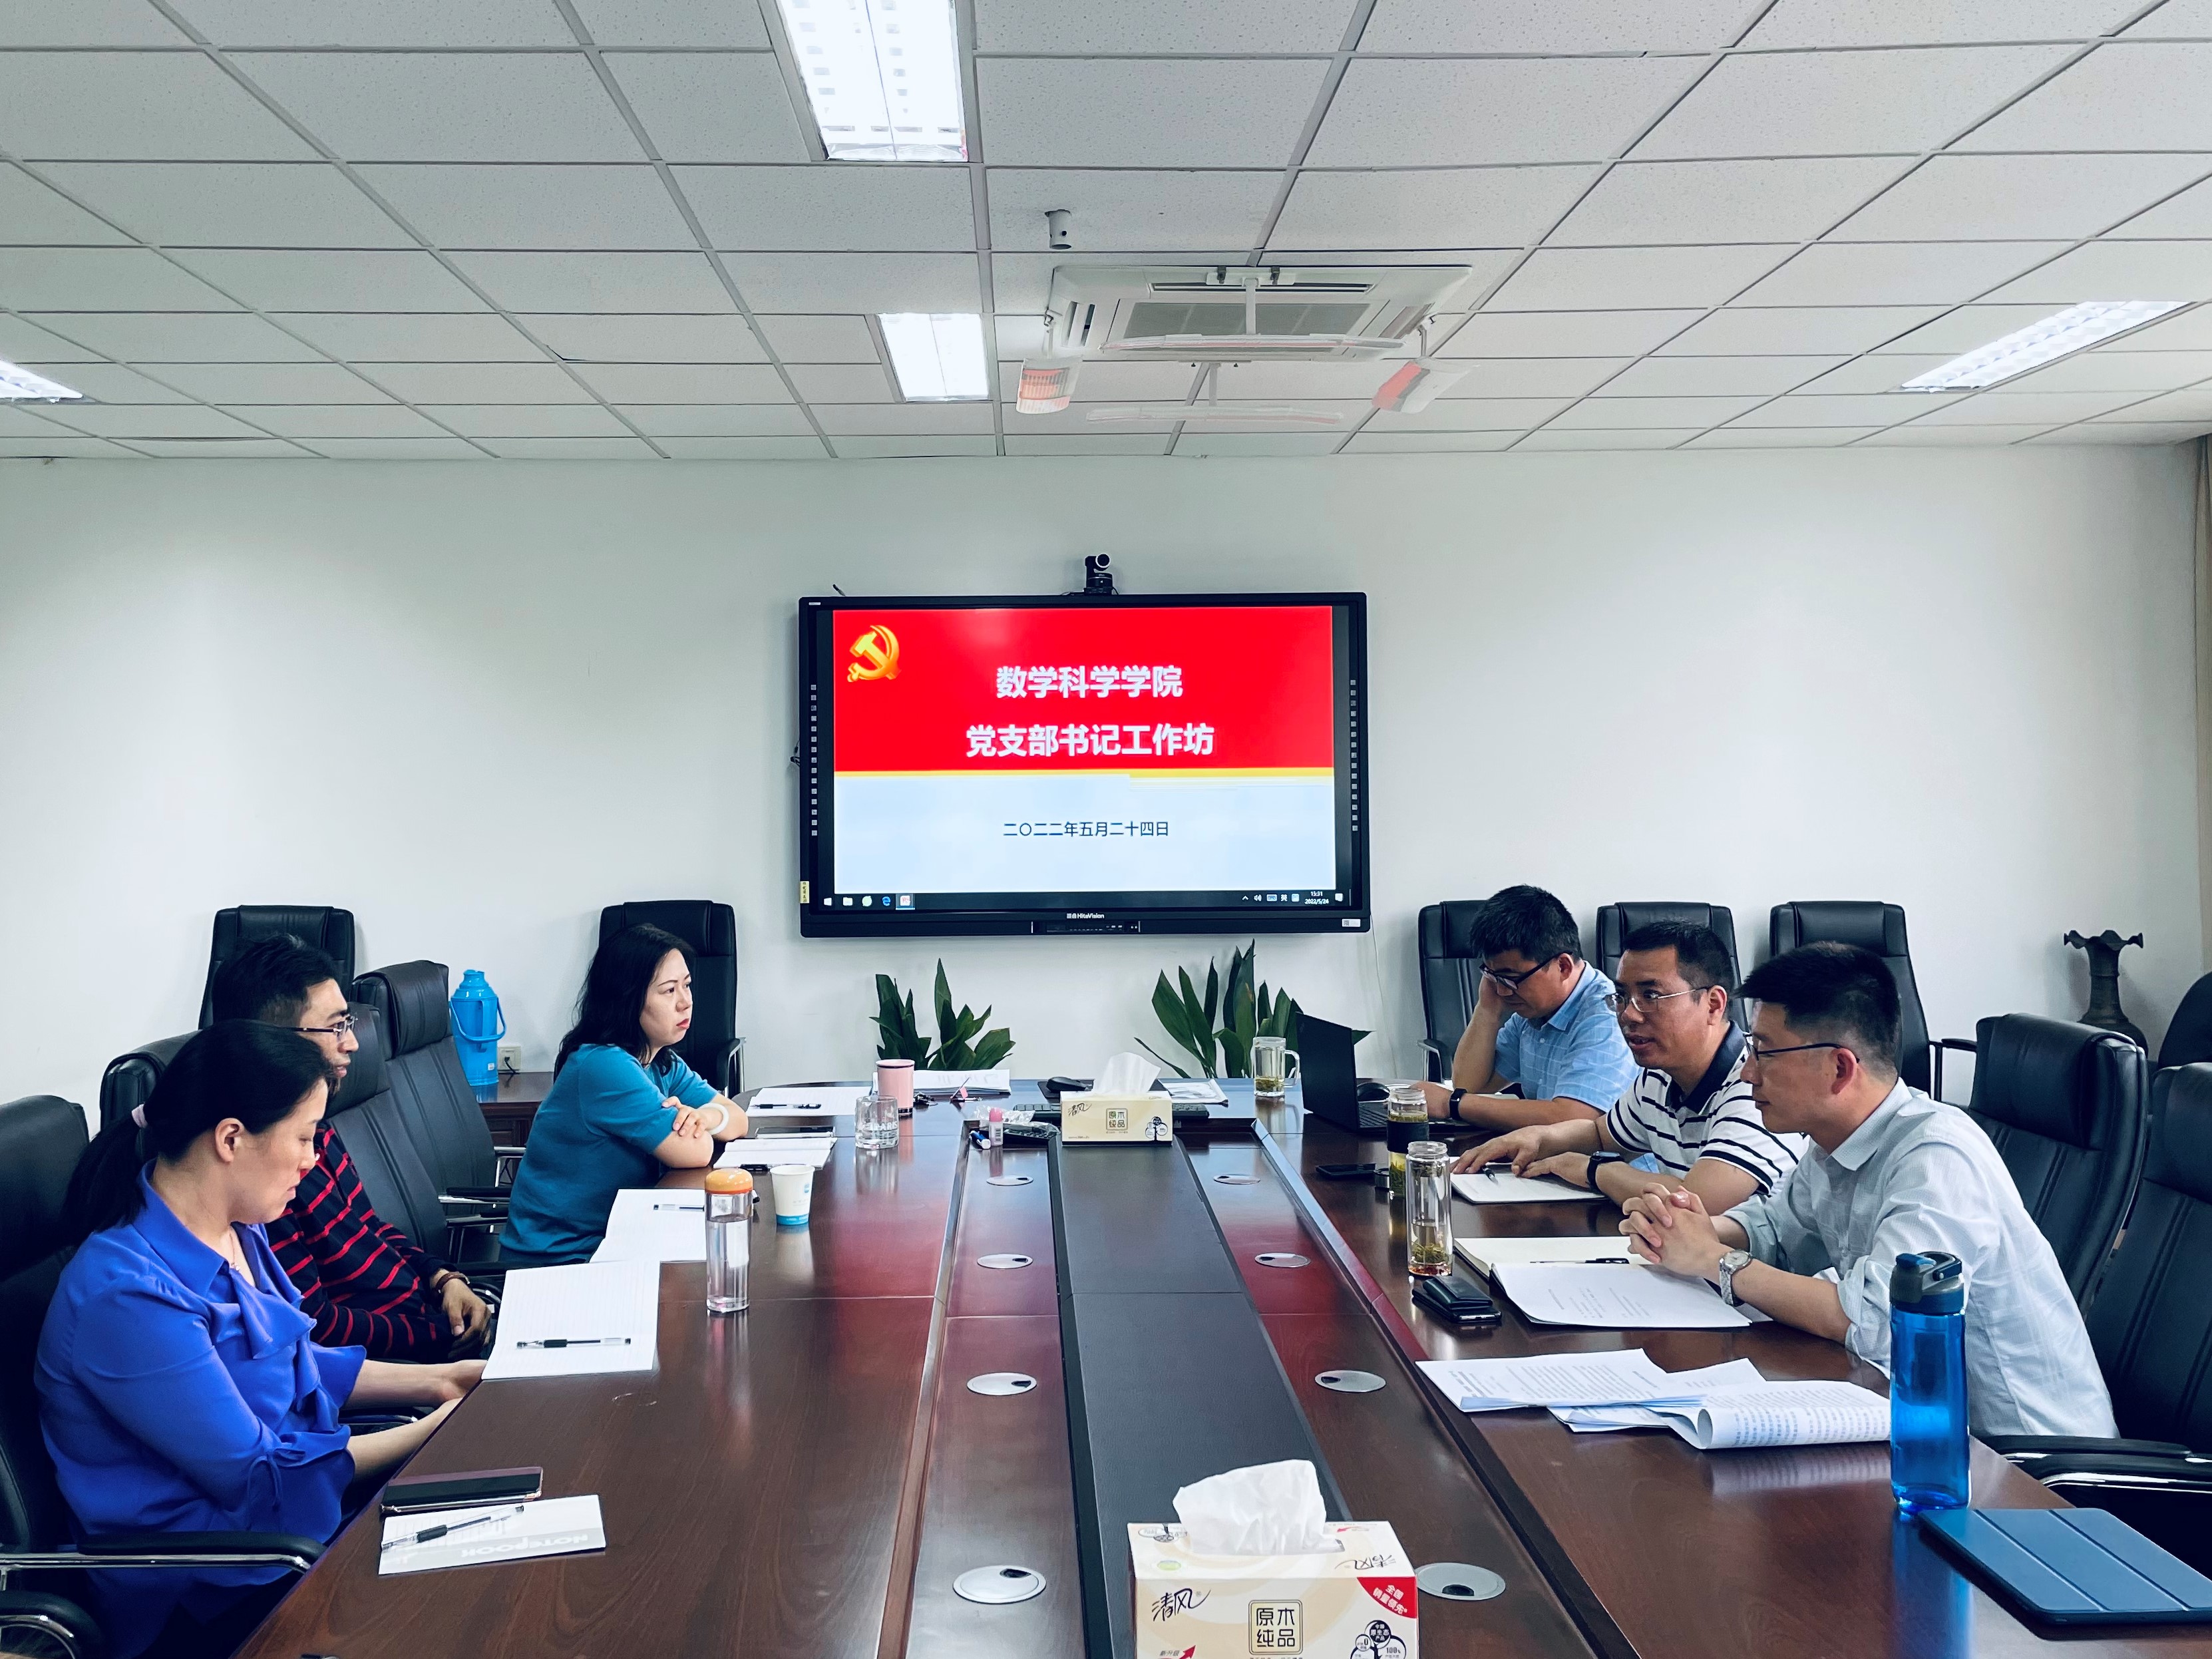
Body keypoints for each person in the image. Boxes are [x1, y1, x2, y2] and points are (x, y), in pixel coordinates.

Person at [39, 1022, 483, 1659]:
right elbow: (262, 1477)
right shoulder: (124, 1295)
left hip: (301, 1526)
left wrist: (442, 1380)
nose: (314, 1158)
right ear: (230, 1138)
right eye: (304, 1137)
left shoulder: (237, 1231)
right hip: (216, 1584)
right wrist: (432, 1431)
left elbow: (299, 1362)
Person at [1621, 942, 2118, 1438]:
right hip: (1914, 1420)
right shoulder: (1835, 1141)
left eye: (1764, 1052)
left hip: (2024, 1458)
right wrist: (1690, 1227)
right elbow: (1775, 1226)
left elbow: (1877, 1323)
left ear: (1840, 1068)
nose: (1748, 1072)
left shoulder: (1936, 1157)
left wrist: (1716, 1260)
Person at [211, 936, 491, 1359]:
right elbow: (315, 1324)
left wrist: (444, 1279)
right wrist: (441, 1335)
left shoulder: (319, 1132)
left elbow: (371, 1228)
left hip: (427, 1323)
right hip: (393, 1360)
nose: (353, 1043)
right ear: (273, 1040)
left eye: (350, 1023)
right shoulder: (264, 1169)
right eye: (336, 1026)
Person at [1451, 922, 1804, 1211]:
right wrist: (1537, 1138)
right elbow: (1601, 1134)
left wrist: (1593, 1170)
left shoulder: (1756, 1086)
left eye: (1651, 996)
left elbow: (1697, 1202)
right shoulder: (1660, 1077)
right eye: (1622, 997)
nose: (1629, 1015)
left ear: (1713, 1004)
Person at [501, 924, 750, 1265]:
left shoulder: (660, 1061)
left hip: (619, 1239)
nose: (686, 1002)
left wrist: (702, 1117)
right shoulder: (603, 1065)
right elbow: (696, 1151)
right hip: (561, 1260)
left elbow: (738, 1119)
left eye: (687, 985)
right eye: (669, 991)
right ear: (628, 999)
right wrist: (703, 1127)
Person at [1421, 885, 1638, 1131]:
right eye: (1494, 977)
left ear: (1563, 967)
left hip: (1600, 1156)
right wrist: (1487, 1010)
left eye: (1511, 978)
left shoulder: (1607, 1015)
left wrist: (1451, 1104)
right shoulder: (1532, 1010)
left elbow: (1574, 1118)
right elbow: (1470, 1087)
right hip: (1548, 1152)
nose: (1502, 991)